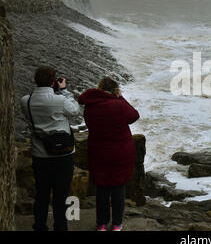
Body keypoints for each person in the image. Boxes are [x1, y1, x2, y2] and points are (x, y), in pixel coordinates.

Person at [20, 66, 79, 231]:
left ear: (35, 81)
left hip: (40, 154)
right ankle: (61, 227)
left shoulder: (26, 101)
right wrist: (64, 91)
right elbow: (74, 110)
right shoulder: (59, 100)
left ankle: (39, 226)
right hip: (63, 155)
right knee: (62, 195)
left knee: (42, 195)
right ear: (54, 82)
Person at [78, 77, 140, 231]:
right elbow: (134, 116)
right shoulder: (119, 105)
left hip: (98, 151)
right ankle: (117, 224)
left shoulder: (90, 106)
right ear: (115, 90)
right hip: (120, 152)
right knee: (118, 187)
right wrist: (121, 98)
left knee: (102, 188)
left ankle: (101, 224)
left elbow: (89, 123)